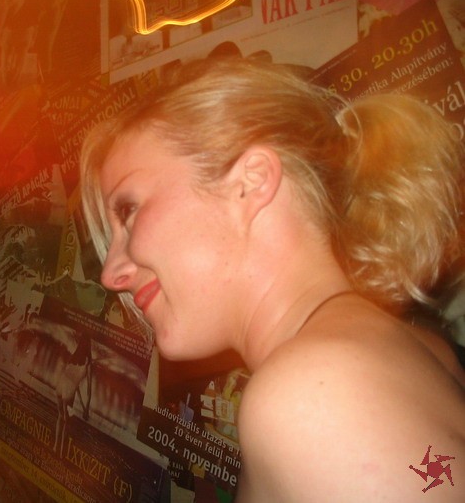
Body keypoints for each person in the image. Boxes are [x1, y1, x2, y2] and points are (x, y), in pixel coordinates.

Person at [79, 57, 465, 501]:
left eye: (129, 210)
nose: (111, 274)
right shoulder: (413, 345)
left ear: (252, 181)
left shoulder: (310, 397)